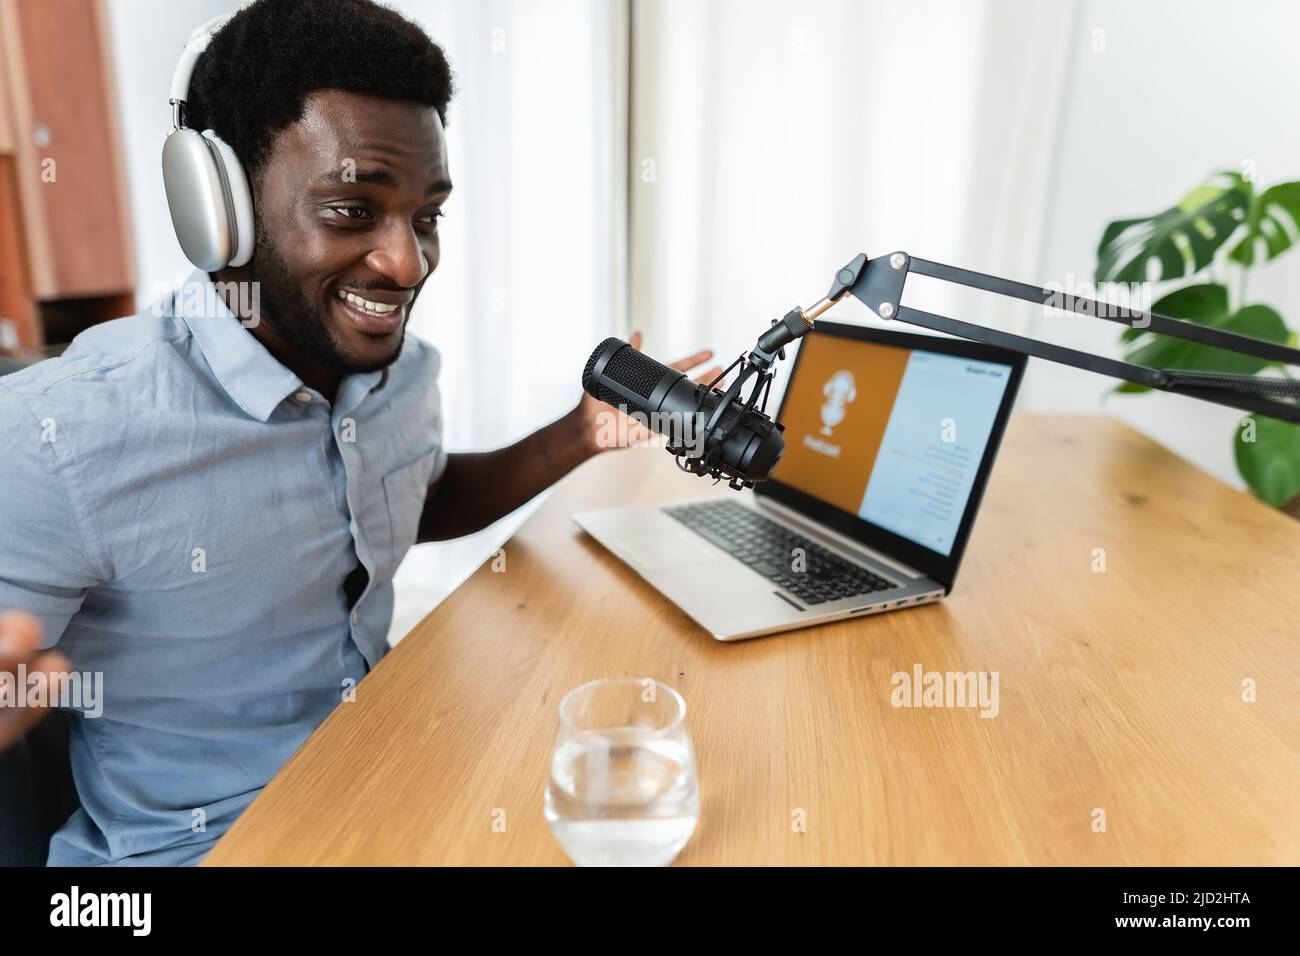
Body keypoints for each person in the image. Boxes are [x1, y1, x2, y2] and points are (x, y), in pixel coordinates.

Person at [0, 0, 717, 865]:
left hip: (380, 785)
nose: (408, 263)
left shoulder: (400, 374)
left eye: (427, 217)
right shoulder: (62, 433)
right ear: (216, 205)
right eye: (351, 210)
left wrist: (578, 435)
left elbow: (415, 494)